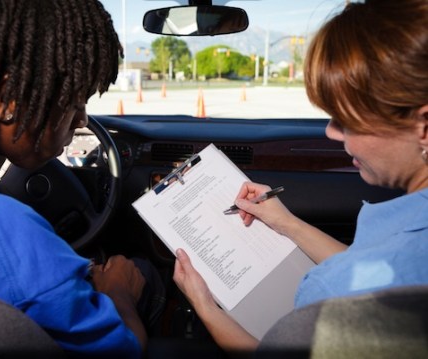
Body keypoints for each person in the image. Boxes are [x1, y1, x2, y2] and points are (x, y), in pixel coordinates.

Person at [173, 0, 428, 355]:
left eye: (345, 120)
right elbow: (364, 267)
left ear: (424, 127)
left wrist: (203, 305)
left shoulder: (332, 299)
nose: (331, 133)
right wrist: (286, 223)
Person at [0, 0, 149, 357]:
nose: (81, 119)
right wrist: (119, 292)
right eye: (76, 102)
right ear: (8, 98)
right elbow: (123, 348)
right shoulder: (4, 234)